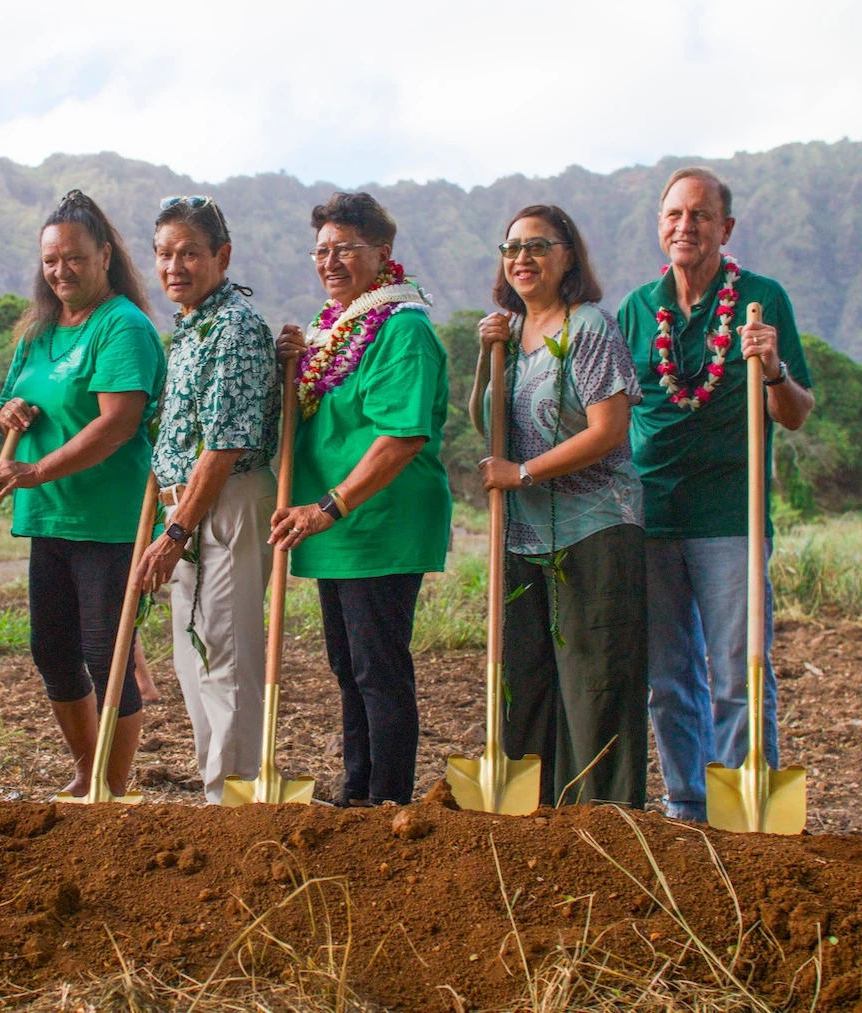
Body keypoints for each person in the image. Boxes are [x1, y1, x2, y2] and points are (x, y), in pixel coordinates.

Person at [615, 166, 815, 823]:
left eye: (701, 215)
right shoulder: (637, 310)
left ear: (725, 229)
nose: (686, 226)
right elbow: (610, 414)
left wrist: (775, 368)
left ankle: (745, 802)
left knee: (738, 669)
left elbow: (796, 412)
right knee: (667, 681)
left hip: (732, 513)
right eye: (674, 214)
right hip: (653, 510)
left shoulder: (763, 298)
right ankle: (688, 801)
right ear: (659, 226)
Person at [268, 191, 450, 807]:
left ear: (383, 252)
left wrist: (329, 506)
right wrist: (291, 369)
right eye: (321, 250)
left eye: (345, 248)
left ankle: (388, 801)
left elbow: (399, 438)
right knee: (348, 667)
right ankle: (356, 793)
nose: (330, 261)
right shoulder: (330, 328)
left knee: (377, 668)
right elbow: (315, 415)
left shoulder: (403, 327)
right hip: (335, 528)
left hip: (376, 522)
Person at [0, 190, 164, 799]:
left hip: (107, 519)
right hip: (49, 517)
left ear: (105, 255)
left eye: (74, 258)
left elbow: (117, 421)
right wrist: (8, 410)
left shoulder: (124, 326)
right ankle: (89, 772)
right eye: (50, 260)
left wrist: (36, 471)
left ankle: (113, 786)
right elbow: (14, 402)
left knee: (104, 654)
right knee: (51, 651)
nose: (60, 271)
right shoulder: (36, 332)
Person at [470, 205, 647, 808]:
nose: (522, 257)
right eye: (512, 246)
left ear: (568, 255)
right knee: (525, 684)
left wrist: (522, 474)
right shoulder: (510, 335)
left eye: (538, 246)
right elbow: (490, 427)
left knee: (594, 688)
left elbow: (609, 429)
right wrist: (482, 363)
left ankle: (604, 824)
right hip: (521, 537)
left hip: (594, 529)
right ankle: (533, 824)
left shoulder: (589, 327)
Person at [134, 195, 278, 804]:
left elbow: (223, 446)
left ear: (222, 255)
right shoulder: (190, 329)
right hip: (185, 507)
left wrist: (176, 533)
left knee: (227, 651)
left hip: (224, 502)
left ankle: (238, 800)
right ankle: (217, 790)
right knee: (192, 657)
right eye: (165, 254)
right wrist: (168, 521)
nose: (175, 266)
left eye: (189, 252)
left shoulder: (237, 329)